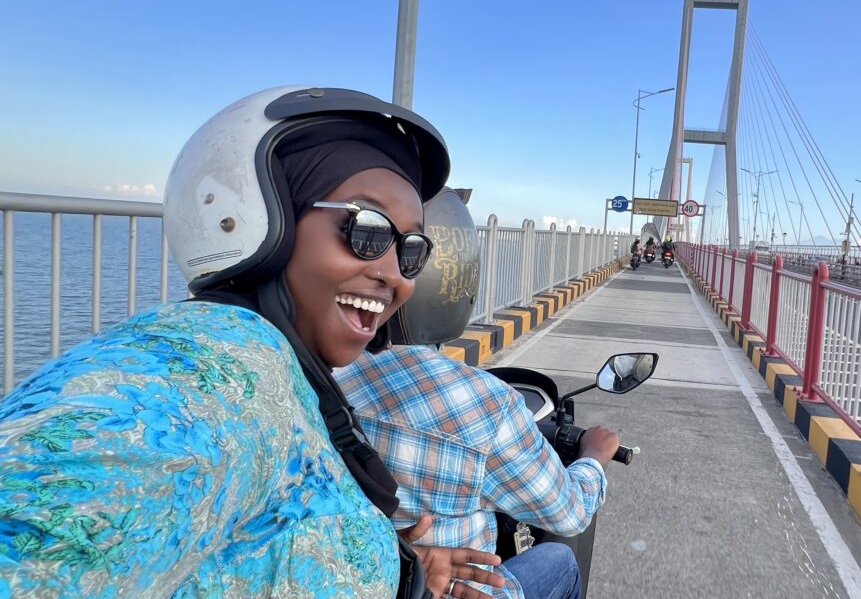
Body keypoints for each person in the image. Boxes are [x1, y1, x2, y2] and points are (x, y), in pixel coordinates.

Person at [0, 86, 504, 599]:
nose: (395, 275)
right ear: (261, 222)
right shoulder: (209, 373)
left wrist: (398, 570)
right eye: (367, 229)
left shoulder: (290, 371)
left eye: (411, 249)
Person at [337, 334, 621, 599]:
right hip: (458, 589)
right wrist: (594, 455)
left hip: (367, 582)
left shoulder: (322, 374)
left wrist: (391, 554)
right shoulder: (487, 400)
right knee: (562, 560)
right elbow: (570, 513)